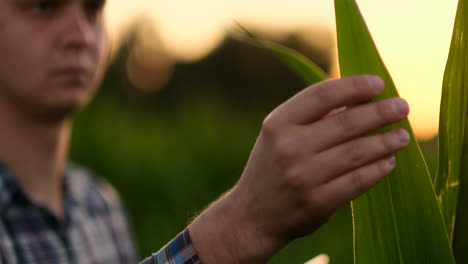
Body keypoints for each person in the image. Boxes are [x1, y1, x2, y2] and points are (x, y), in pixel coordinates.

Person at [0, 0, 410, 263]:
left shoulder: (99, 206)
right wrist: (243, 224)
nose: (81, 36)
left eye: (93, 9)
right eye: (42, 6)